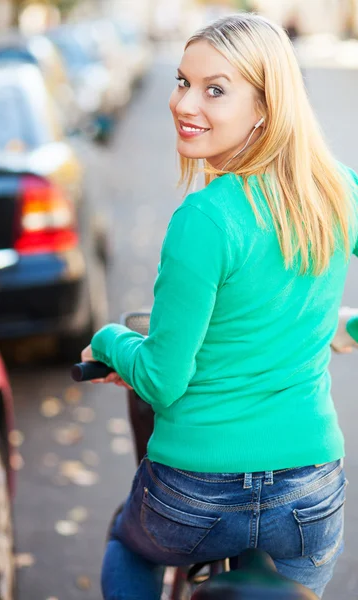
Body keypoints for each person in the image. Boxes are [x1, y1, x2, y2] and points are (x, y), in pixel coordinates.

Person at [81, 12, 358, 599]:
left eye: (215, 90)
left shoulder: (205, 220)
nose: (185, 103)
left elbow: (160, 378)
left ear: (266, 106)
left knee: (127, 548)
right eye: (182, 82)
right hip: (309, 493)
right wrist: (350, 328)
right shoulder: (339, 189)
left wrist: (109, 340)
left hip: (195, 492)